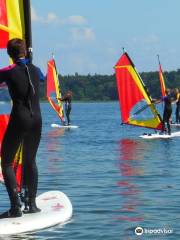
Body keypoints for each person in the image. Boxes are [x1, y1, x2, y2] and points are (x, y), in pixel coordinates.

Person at [0, 38, 43, 218]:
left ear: (9, 54)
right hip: (37, 119)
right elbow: (40, 78)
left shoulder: (8, 71)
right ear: (25, 51)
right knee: (30, 160)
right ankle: (32, 204)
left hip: (20, 119)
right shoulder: (36, 70)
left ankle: (16, 207)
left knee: (7, 162)